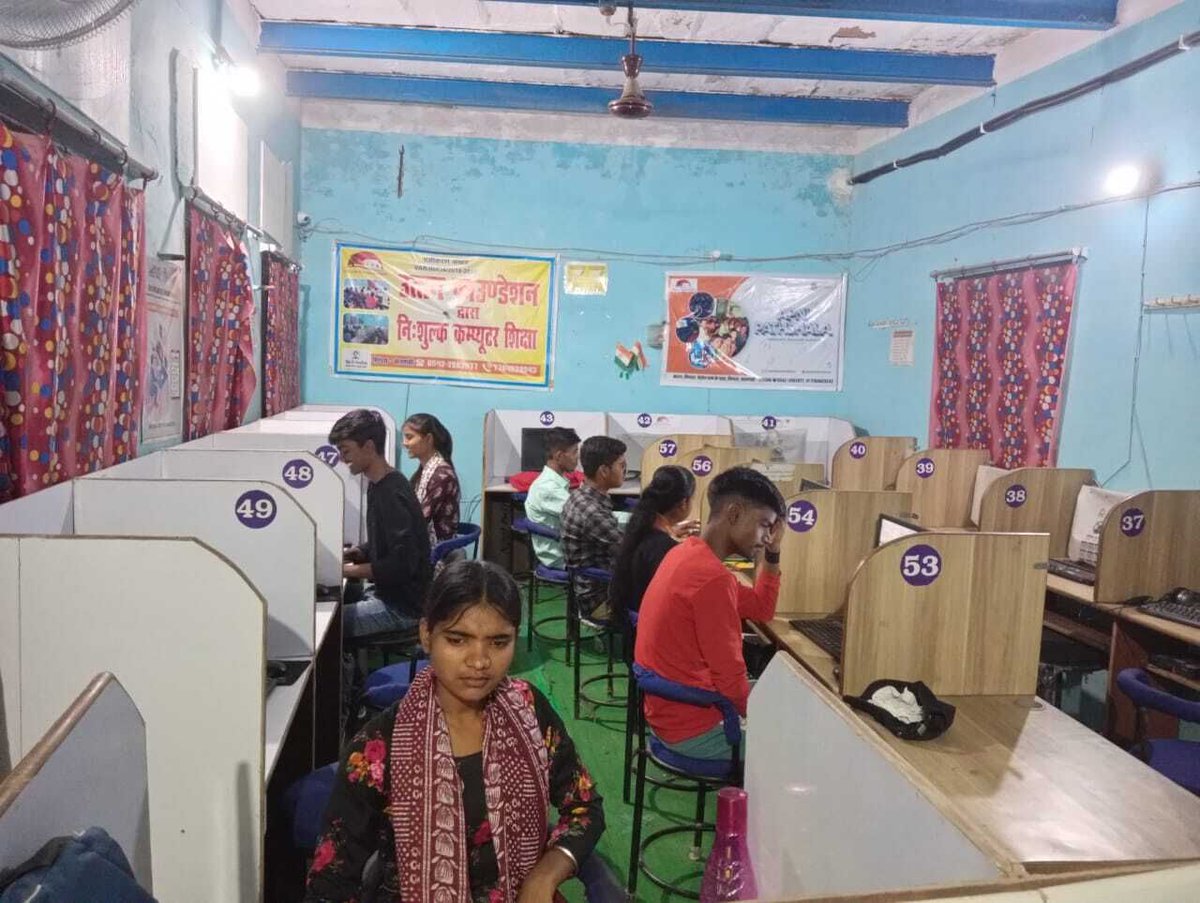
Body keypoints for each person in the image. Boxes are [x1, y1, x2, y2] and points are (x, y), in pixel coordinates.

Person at [304, 560, 605, 903]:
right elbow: (331, 882)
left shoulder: (529, 711)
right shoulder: (378, 749)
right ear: (426, 635)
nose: (479, 662)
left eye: (498, 642)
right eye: (458, 639)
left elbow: (584, 805)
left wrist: (544, 875)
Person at [634, 467, 784, 761]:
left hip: (671, 711)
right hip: (695, 729)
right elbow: (731, 681)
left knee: (784, 698)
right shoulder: (711, 580)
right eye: (765, 525)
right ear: (735, 513)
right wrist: (769, 724)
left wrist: (774, 553)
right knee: (805, 744)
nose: (767, 537)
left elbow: (761, 608)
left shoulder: (687, 553)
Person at [331, 409, 432, 639]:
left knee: (327, 628)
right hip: (387, 594)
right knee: (336, 601)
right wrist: (358, 552)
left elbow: (401, 565)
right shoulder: (380, 483)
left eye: (346, 451)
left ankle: (347, 672)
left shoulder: (391, 493)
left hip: (402, 608)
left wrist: (346, 570)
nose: (342, 458)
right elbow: (388, 540)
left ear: (368, 446)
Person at [607, 465, 699, 627]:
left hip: (633, 614)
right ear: (684, 502)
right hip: (654, 623)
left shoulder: (641, 527)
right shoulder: (665, 548)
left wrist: (671, 531)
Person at [560, 436, 627, 621]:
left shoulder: (582, 495)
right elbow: (630, 552)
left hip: (592, 587)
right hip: (600, 600)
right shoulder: (592, 512)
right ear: (604, 471)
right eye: (622, 466)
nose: (625, 472)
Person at [523, 427, 580, 568]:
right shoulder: (548, 488)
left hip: (566, 547)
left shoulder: (555, 482)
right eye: (574, 452)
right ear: (559, 456)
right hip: (561, 556)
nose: (577, 458)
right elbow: (587, 518)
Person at [403, 412, 461, 549]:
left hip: (438, 552)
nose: (404, 443)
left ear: (428, 439)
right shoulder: (425, 471)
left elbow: (419, 520)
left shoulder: (442, 475)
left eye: (409, 437)